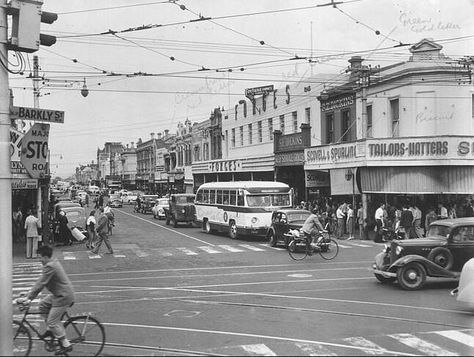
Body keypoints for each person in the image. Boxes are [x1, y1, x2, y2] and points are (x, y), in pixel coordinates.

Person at [24, 245, 74, 354]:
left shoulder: (50, 266)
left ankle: (66, 343)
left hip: (63, 297)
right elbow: (40, 281)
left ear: (46, 257)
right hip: (58, 294)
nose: (39, 259)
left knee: (52, 321)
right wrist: (28, 294)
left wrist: (29, 298)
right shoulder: (52, 263)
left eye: (40, 257)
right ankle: (50, 331)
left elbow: (41, 283)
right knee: (43, 305)